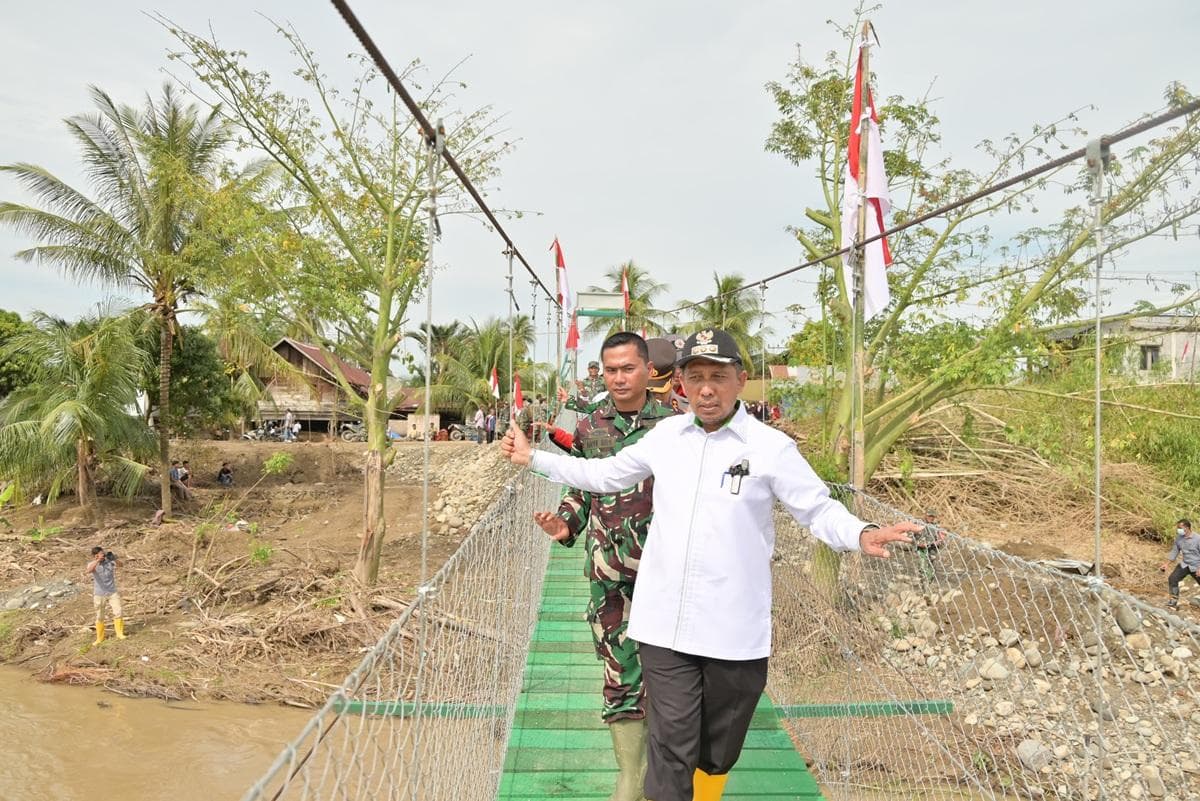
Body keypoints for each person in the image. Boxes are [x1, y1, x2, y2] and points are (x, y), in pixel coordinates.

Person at [503, 328, 918, 801]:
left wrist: (860, 533)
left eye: (717, 377)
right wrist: (532, 457)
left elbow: (817, 508)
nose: (705, 389)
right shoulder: (666, 438)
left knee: (717, 750)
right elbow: (602, 474)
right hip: (662, 626)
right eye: (694, 376)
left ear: (740, 380)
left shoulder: (770, 448)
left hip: (732, 629)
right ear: (679, 382)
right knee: (670, 745)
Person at [532, 332, 676, 801]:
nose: (618, 378)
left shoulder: (677, 426)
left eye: (627, 369)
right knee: (620, 671)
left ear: (646, 370)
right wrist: (565, 524)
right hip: (609, 572)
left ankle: (666, 769)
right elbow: (580, 488)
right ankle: (629, 779)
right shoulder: (591, 425)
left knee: (672, 672)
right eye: (610, 370)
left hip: (667, 572)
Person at [86, 546, 127, 643]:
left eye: (103, 553)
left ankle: (119, 634)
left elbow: (121, 565)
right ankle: (100, 638)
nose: (103, 555)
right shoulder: (93, 564)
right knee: (100, 616)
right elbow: (88, 570)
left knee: (118, 611)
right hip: (99, 594)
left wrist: (115, 559)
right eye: (100, 554)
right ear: (95, 556)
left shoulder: (109, 562)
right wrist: (97, 561)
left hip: (112, 592)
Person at [1160, 518, 1200, 609]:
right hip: (1185, 564)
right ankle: (1173, 600)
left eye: (1180, 527)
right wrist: (1166, 564)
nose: (1178, 530)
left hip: (1197, 565)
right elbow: (1175, 551)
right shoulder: (1179, 538)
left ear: (1187, 528)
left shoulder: (1198, 539)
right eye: (1178, 528)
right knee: (1173, 578)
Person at [914, 509, 947, 585]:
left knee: (931, 563)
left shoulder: (936, 526)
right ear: (925, 515)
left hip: (932, 547)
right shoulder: (918, 523)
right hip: (921, 546)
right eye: (929, 516)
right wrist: (917, 543)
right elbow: (913, 534)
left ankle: (928, 581)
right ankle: (922, 579)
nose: (931, 518)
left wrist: (940, 539)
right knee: (922, 562)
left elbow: (941, 535)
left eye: (933, 516)